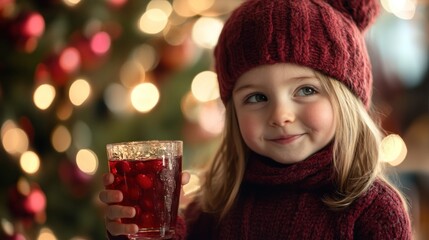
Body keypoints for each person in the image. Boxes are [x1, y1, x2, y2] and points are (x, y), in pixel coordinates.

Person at [99, 0, 413, 239]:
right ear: (233, 112)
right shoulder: (213, 209)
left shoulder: (375, 213)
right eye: (256, 98)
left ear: (348, 100)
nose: (280, 116)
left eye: (305, 90)